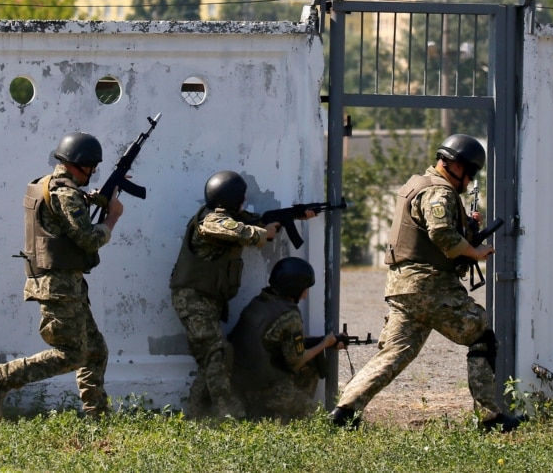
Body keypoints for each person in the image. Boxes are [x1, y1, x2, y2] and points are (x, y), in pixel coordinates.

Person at [329, 134, 522, 432]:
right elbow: (442, 235)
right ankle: (490, 419)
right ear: (456, 166)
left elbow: (433, 231)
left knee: (394, 352)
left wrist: (467, 227)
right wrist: (475, 251)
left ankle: (343, 413)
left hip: (403, 288)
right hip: (429, 286)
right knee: (481, 335)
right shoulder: (439, 192)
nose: (470, 181)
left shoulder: (417, 185)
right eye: (470, 172)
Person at [0, 131, 123, 421]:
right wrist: (112, 217)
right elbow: (87, 238)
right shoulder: (65, 193)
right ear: (77, 164)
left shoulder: (51, 185)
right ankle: (0, 377)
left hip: (65, 284)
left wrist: (97, 200)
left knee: (95, 350)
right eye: (92, 166)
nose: (94, 172)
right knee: (70, 354)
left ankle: (98, 417)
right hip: (57, 286)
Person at [169, 170, 313, 420]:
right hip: (193, 300)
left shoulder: (233, 217)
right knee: (217, 354)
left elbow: (250, 220)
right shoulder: (211, 220)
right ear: (232, 198)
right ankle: (229, 416)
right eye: (241, 198)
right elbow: (231, 229)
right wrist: (262, 232)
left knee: (213, 357)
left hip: (208, 299)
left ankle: (196, 415)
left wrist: (292, 216)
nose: (244, 203)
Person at [229, 257, 346, 422]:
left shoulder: (260, 302)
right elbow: (297, 362)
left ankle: (271, 414)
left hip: (238, 380)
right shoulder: (289, 315)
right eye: (305, 289)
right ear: (294, 288)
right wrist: (325, 344)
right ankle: (282, 416)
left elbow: (280, 339)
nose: (306, 295)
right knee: (318, 418)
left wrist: (322, 341)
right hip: (263, 388)